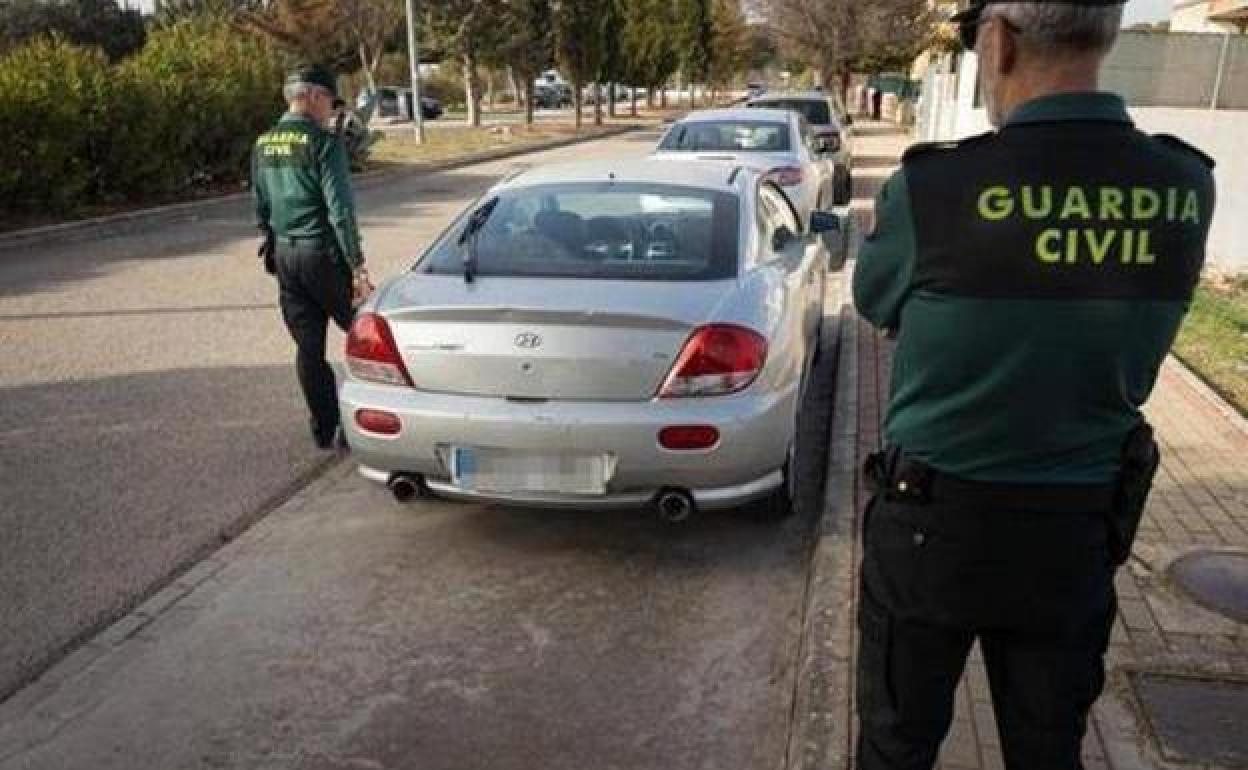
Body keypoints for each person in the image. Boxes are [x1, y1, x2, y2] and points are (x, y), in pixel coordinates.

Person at [851, 1, 1215, 768]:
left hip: (931, 531)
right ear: (1109, 35)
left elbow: (876, 304)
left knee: (896, 747)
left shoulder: (933, 189)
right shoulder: (1184, 186)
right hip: (1074, 532)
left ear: (999, 40)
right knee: (1048, 750)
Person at [254, 65, 371, 450]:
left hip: (286, 255)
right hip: (322, 254)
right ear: (314, 97)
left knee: (308, 347)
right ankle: (378, 421)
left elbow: (261, 205)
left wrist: (274, 243)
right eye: (329, 104)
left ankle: (325, 429)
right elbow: (341, 211)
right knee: (367, 334)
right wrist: (356, 265)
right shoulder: (323, 144)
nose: (331, 113)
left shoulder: (264, 143)